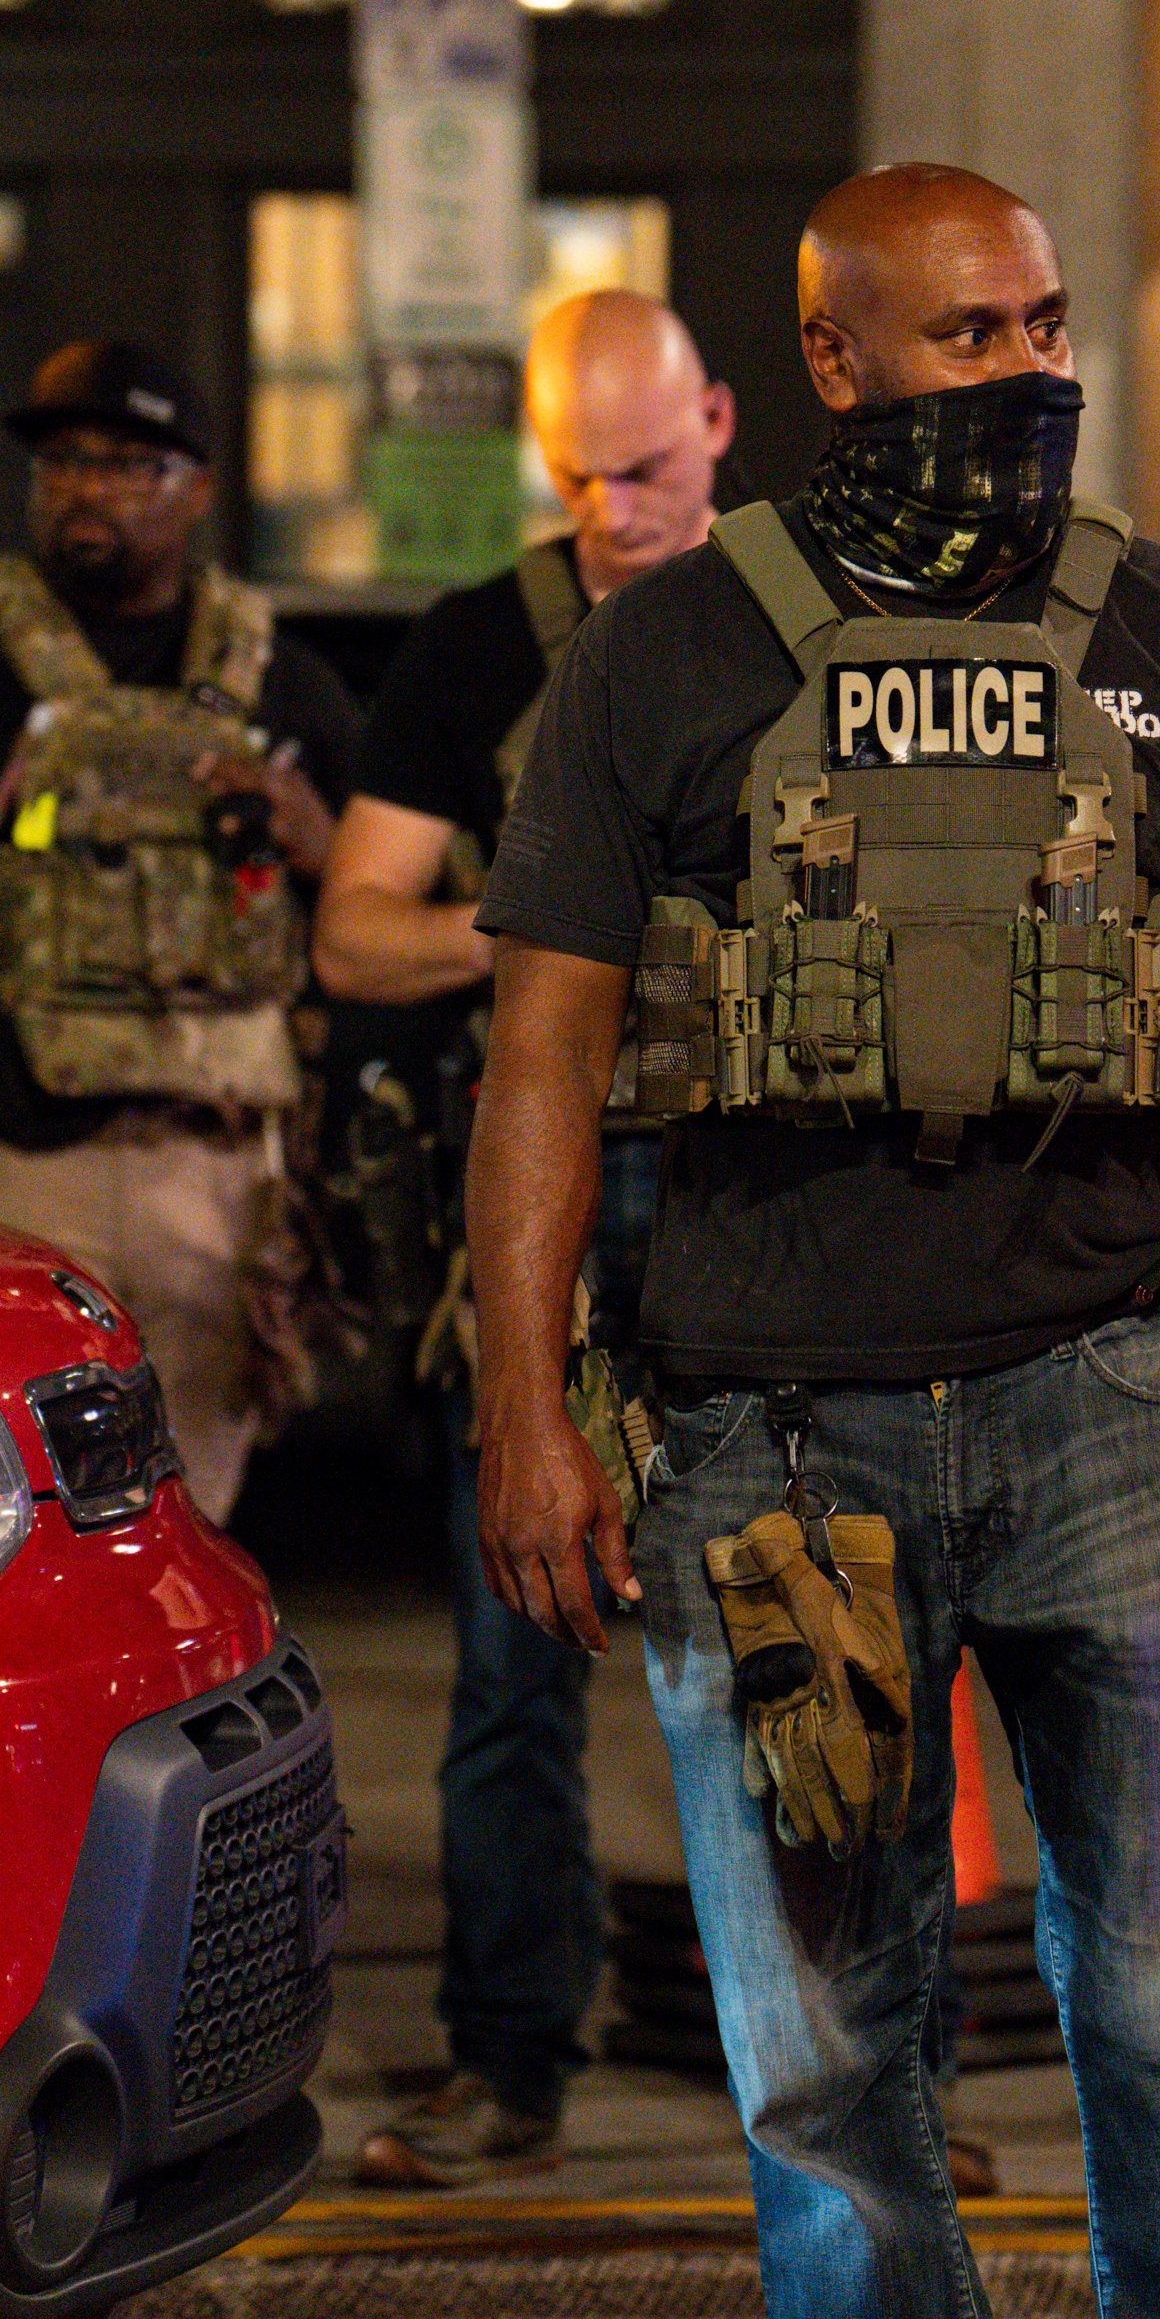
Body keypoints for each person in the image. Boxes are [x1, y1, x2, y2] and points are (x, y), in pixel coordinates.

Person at [471, 164, 1160, 2319]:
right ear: (833, 364)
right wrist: (522, 1406)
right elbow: (544, 1049)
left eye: (1046, 323)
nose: (1025, 370)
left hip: (1118, 1398)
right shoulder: (659, 652)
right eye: (967, 335)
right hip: (773, 1440)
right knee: (820, 2074)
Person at [323, 288, 735, 2188]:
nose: (613, 512)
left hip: (753, 1190)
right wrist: (561, 932)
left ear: (721, 426)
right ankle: (510, 2061)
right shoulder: (486, 639)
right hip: (550, 1185)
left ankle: (830, 2082)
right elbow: (354, 931)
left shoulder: (790, 622)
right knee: (513, 1661)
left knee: (798, 1642)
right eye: (578, 475)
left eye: (645, 471)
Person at [0, 342, 359, 1518]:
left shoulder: (285, 684)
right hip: (12, 1164)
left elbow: (372, 909)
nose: (87, 487)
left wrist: (311, 835)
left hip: (217, 1169)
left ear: (199, 487)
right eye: (64, 462)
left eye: (128, 463)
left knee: (190, 1517)